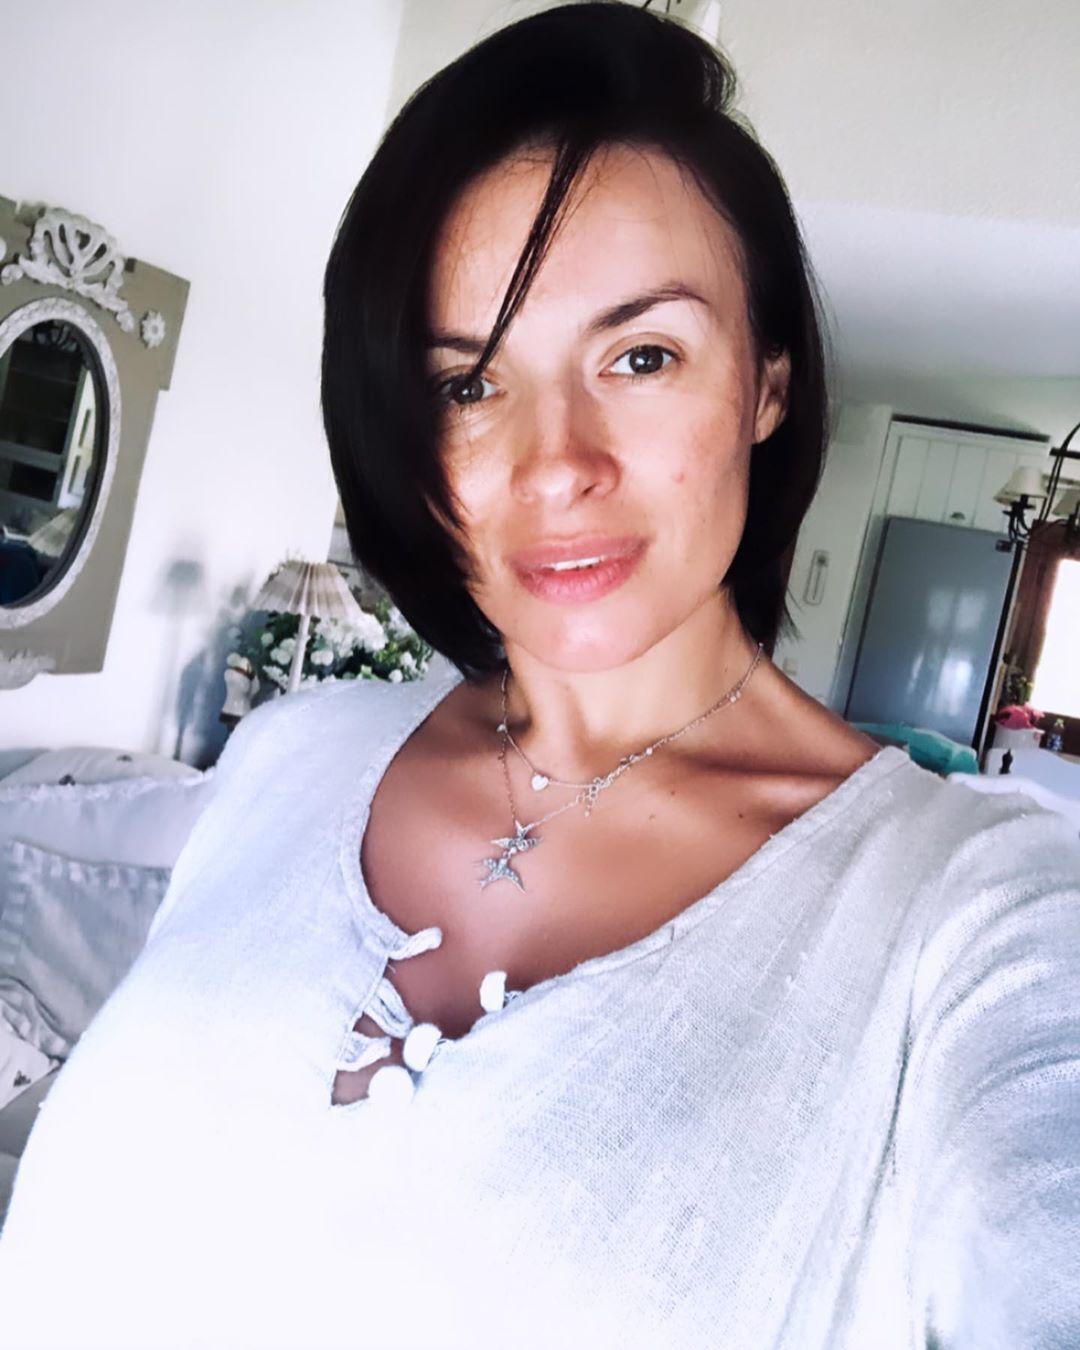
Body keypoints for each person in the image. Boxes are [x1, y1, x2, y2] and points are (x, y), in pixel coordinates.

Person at [1, 5, 1077, 1348]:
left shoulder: (978, 917)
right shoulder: (298, 747)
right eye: (469, 385)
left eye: (642, 356)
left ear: (766, 385)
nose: (556, 463)